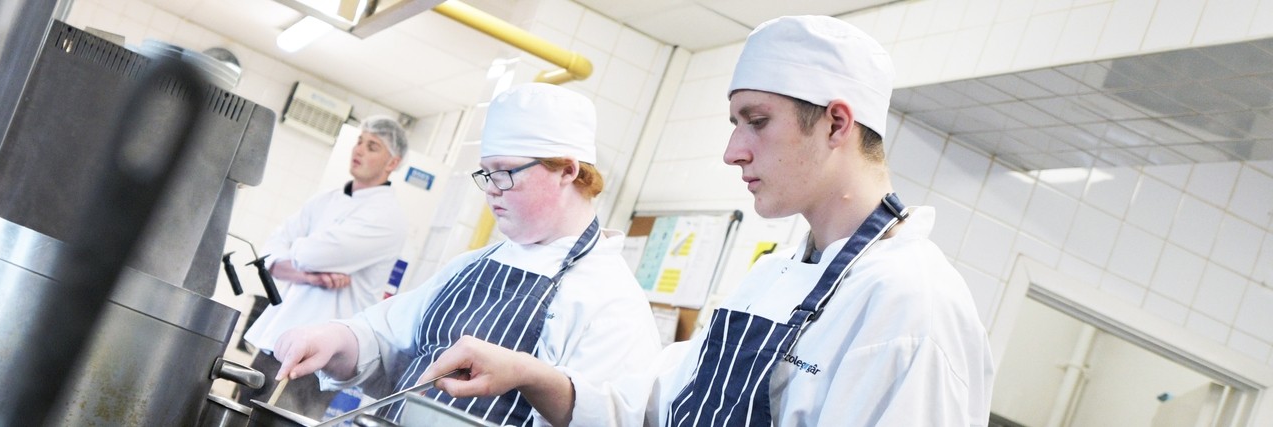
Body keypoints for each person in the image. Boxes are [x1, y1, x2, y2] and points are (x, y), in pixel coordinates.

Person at [411, 16, 995, 426]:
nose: (733, 151)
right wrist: (530, 374)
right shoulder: (776, 276)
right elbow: (651, 408)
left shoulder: (914, 305)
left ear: (837, 124)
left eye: (757, 121)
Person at [269, 83, 662, 426]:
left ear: (567, 171)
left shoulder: (612, 301)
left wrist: (532, 376)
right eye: (485, 173)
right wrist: (334, 338)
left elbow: (613, 418)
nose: (491, 188)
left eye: (505, 172)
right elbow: (387, 339)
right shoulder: (473, 266)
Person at [236, 116, 412, 416]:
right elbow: (268, 257)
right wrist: (309, 276)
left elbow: (314, 253)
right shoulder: (325, 200)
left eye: (372, 146)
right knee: (238, 418)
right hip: (276, 339)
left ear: (392, 162)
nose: (359, 150)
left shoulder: (387, 217)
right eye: (359, 141)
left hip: (319, 358)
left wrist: (297, 255)